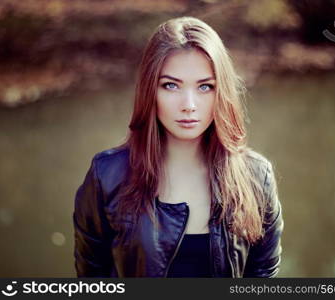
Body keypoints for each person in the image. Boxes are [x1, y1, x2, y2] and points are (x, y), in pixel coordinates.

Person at [73, 16, 284, 278]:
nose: (189, 105)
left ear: (223, 93)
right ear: (151, 90)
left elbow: (263, 273)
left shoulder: (256, 177)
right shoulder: (106, 176)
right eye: (171, 85)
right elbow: (92, 277)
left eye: (205, 87)